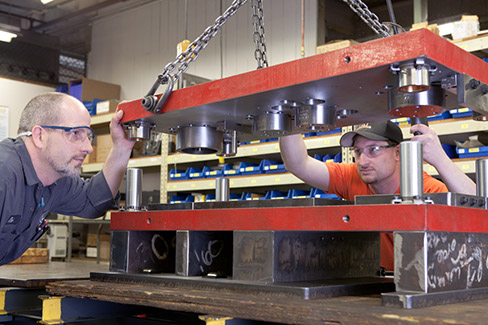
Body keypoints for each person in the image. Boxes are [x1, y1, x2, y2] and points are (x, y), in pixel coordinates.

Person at [279, 120, 476, 270]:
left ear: (397, 153)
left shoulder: (427, 189)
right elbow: (298, 164)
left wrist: (440, 159)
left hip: (417, 286)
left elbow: (478, 209)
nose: (362, 161)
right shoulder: (353, 177)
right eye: (357, 151)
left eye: (373, 150)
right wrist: (288, 117)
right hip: (372, 285)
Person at [0, 92, 135, 265]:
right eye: (75, 133)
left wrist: (122, 146)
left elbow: (92, 201)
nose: (88, 148)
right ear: (40, 136)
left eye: (88, 136)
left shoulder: (55, 181)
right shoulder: (4, 176)